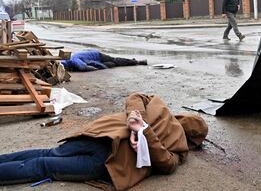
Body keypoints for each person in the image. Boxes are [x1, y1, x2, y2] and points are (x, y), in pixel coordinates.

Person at [0, 93, 208, 190]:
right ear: (192, 140)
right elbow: (167, 164)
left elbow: (135, 97)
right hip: (109, 160)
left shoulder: (158, 104)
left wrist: (141, 126)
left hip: (97, 137)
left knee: (48, 154)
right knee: (44, 164)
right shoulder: (180, 145)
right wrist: (143, 130)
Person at [61, 49, 147, 71]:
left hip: (98, 56)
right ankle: (130, 61)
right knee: (113, 64)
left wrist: (94, 69)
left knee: (116, 60)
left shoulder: (73, 59)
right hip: (98, 61)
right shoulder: (71, 60)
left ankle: (137, 62)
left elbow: (83, 67)